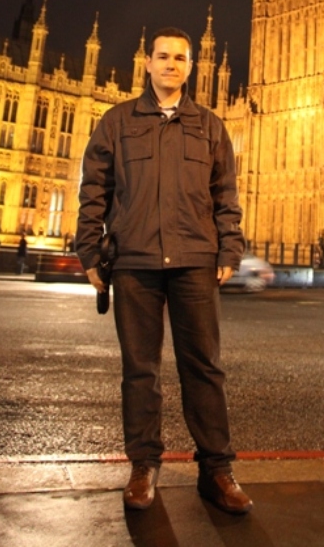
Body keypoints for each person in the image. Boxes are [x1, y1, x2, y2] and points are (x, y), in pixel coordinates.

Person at [76, 28, 252, 514]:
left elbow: (225, 196)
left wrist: (228, 250)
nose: (171, 64)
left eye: (180, 57)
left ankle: (217, 469)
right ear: (147, 63)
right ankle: (143, 465)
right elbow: (94, 189)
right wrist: (89, 252)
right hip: (134, 260)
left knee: (205, 370)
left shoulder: (211, 126)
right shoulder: (116, 121)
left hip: (194, 260)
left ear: (193, 66)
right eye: (162, 56)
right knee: (140, 370)